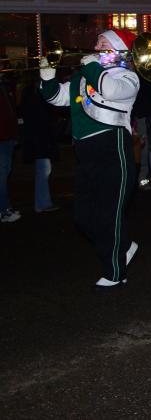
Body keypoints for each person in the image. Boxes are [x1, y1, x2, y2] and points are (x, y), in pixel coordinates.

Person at [39, 29, 140, 288]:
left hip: (112, 145)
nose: (96, 45)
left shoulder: (127, 76)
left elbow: (110, 89)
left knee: (110, 213)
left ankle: (115, 273)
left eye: (103, 42)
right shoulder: (82, 76)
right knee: (83, 216)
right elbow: (55, 97)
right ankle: (123, 245)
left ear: (118, 49)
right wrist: (47, 74)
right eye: (97, 41)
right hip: (85, 151)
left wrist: (92, 67)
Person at [19, 73, 59, 212]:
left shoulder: (29, 93)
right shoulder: (36, 94)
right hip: (40, 138)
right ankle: (42, 203)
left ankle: (43, 202)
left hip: (39, 138)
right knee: (43, 170)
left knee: (44, 170)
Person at [0, 73, 19, 223]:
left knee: (4, 173)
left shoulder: (4, 86)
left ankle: (4, 208)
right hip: (3, 137)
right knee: (2, 175)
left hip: (7, 137)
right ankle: (4, 209)